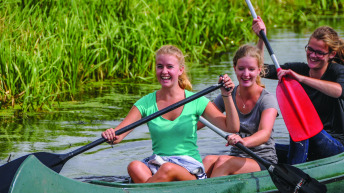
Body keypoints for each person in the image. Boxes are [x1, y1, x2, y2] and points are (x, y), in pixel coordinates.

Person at [102, 45, 240, 183]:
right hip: (158, 164)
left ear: (180, 70)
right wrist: (110, 134)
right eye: (160, 66)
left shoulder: (196, 100)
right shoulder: (145, 103)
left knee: (168, 169)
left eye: (169, 67)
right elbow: (118, 136)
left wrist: (226, 95)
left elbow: (232, 127)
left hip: (189, 169)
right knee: (134, 166)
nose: (164, 71)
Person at [253, 17, 344, 164]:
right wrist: (261, 39)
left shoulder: (337, 71)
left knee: (301, 124)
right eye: (310, 49)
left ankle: (295, 173)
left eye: (320, 53)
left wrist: (301, 79)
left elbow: (339, 91)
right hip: (305, 145)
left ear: (331, 54)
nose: (313, 55)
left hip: (333, 146)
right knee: (259, 148)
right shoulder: (299, 68)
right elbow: (259, 70)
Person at [201, 44, 279, 178]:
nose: (246, 74)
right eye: (241, 69)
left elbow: (265, 133)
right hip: (237, 157)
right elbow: (203, 121)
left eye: (251, 69)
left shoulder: (267, 99)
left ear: (259, 70)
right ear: (234, 69)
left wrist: (244, 141)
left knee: (223, 162)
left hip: (262, 160)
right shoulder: (227, 94)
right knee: (207, 160)